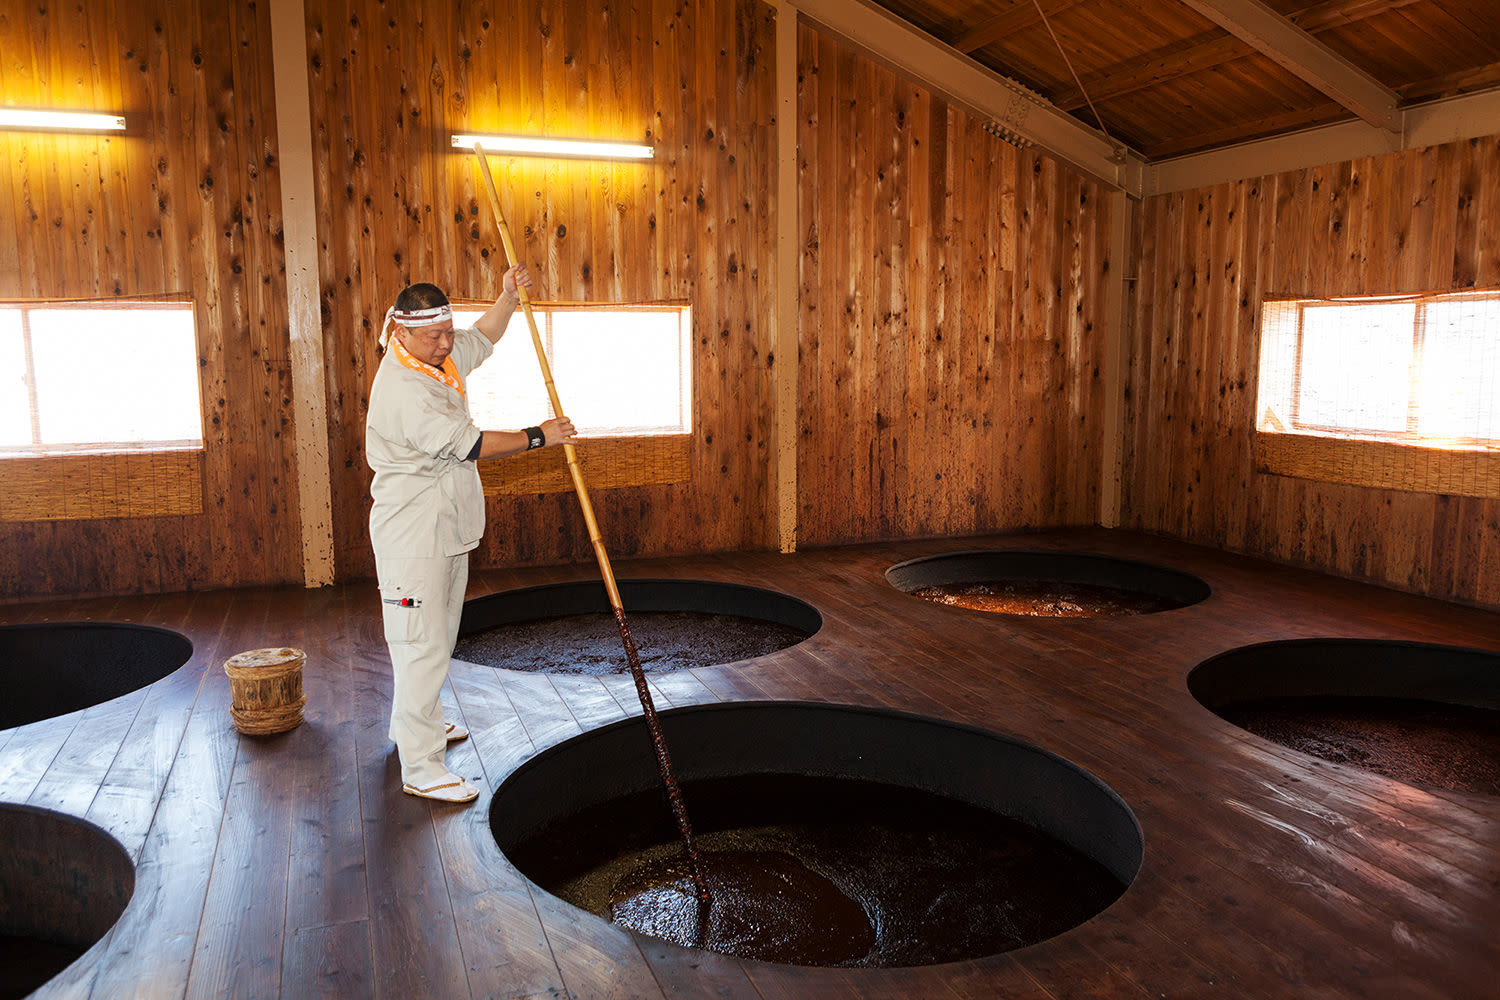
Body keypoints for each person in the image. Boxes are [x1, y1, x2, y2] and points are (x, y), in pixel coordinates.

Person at [366, 264, 575, 803]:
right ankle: (421, 765)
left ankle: (418, 727)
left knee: (435, 638)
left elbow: (481, 338)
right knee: (418, 643)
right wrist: (539, 436)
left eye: (445, 331)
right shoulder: (406, 388)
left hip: (446, 526)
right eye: (433, 336)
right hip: (413, 535)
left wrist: (506, 297)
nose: (444, 343)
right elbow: (472, 444)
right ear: (400, 331)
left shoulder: (435, 356)